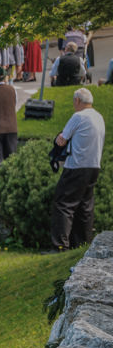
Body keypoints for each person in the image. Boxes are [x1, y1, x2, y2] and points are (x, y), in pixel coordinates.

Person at [52, 88, 105, 251]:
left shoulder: (78, 116)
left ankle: (60, 246)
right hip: (94, 165)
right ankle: (82, 245)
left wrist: (58, 139)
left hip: (76, 166)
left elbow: (62, 140)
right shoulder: (99, 117)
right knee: (85, 206)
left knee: (63, 204)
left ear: (77, 101)